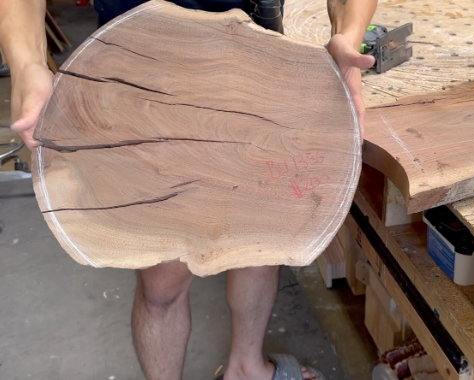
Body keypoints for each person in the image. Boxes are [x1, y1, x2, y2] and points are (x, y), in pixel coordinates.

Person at [0, 0, 376, 379]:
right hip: (145, 73)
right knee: (162, 282)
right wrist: (26, 62)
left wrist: (350, 33)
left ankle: (246, 368)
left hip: (257, 66)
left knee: (262, 238)